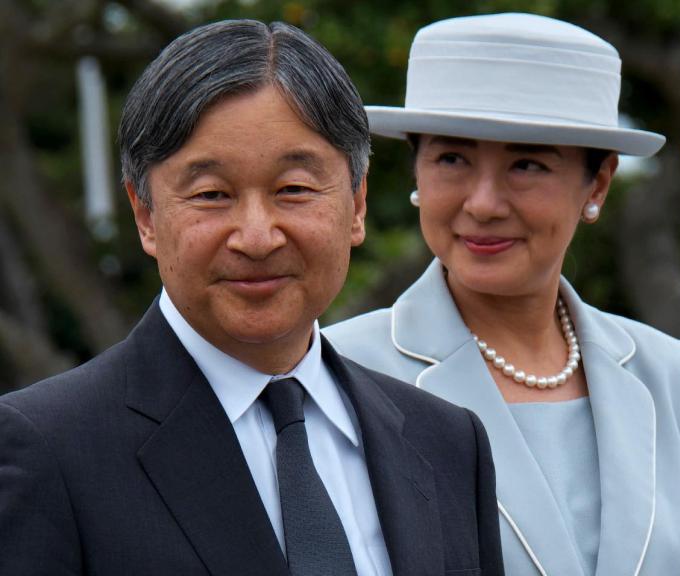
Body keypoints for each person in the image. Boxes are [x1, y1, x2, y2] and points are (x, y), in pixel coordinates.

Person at [0, 20, 502, 576]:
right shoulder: (49, 448)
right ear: (145, 215)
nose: (257, 237)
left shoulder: (449, 443)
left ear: (356, 204)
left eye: (293, 190)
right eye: (212, 195)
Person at [324, 13, 680, 576]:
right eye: (451, 158)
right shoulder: (339, 373)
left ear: (597, 183)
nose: (483, 203)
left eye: (527, 164)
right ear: (416, 168)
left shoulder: (672, 377)